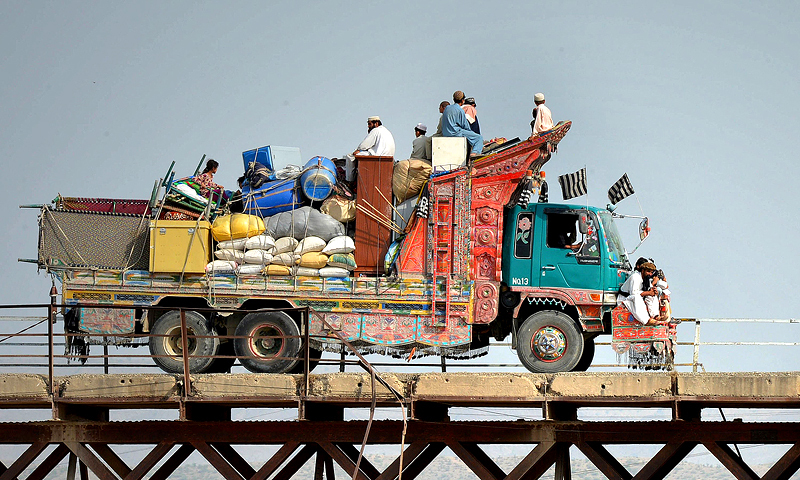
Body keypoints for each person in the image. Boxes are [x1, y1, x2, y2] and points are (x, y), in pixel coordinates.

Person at [618, 261, 666, 326]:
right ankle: (646, 320)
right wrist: (648, 293)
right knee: (637, 297)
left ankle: (655, 316)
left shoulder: (646, 278)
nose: (650, 274)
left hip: (634, 297)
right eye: (648, 271)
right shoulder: (635, 277)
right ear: (643, 270)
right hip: (625, 298)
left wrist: (653, 291)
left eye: (651, 272)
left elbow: (649, 289)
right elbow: (633, 293)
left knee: (652, 296)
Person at [442, 90, 484, 157]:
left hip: (446, 133)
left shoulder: (447, 108)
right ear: (462, 100)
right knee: (479, 138)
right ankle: (474, 153)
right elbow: (465, 126)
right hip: (455, 133)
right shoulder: (460, 110)